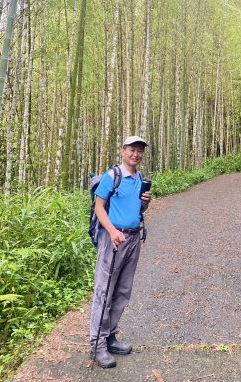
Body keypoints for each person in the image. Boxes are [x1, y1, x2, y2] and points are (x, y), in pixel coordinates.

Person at [90, 135, 151, 368]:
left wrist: (145, 202)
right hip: (113, 239)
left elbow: (137, 208)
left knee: (123, 291)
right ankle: (97, 345)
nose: (135, 154)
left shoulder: (139, 178)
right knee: (105, 291)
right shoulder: (112, 176)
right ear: (123, 150)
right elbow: (99, 207)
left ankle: (110, 336)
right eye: (131, 150)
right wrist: (113, 231)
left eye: (139, 151)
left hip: (133, 237)